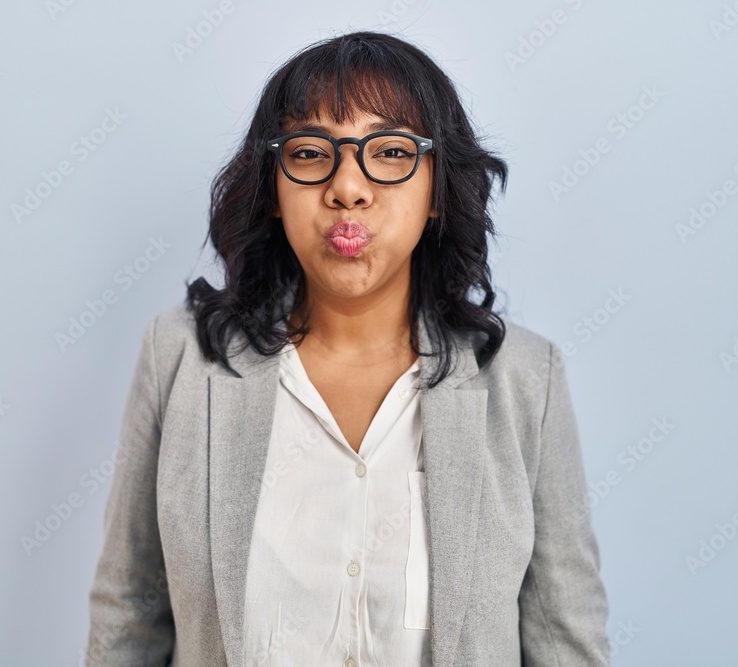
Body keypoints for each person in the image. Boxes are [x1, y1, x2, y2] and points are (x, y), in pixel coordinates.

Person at [86, 30, 610, 666]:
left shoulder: (527, 378)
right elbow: (131, 614)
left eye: (390, 152)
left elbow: (566, 640)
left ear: (438, 189)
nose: (348, 188)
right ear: (273, 188)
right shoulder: (181, 358)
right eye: (310, 153)